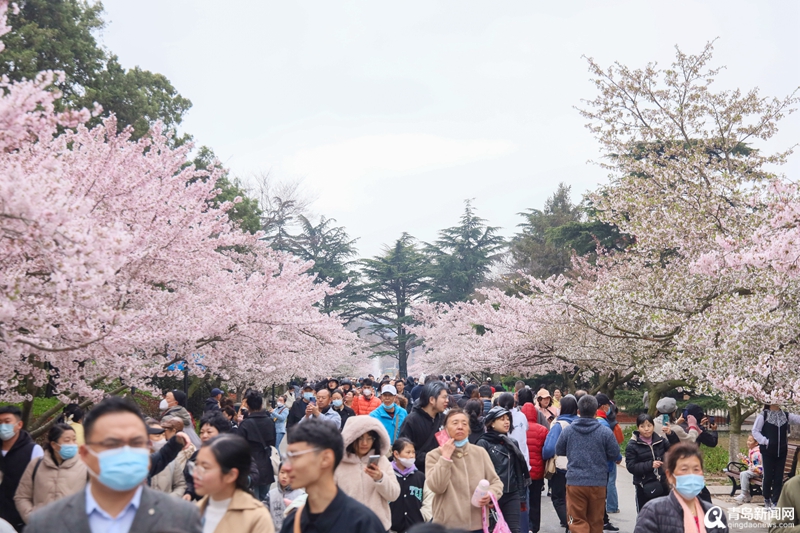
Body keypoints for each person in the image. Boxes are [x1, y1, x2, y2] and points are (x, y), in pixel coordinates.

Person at [24, 396, 201, 533]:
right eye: (112, 444)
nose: (125, 452)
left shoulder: (182, 518)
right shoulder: (46, 523)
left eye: (135, 443)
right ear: (85, 454)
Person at [279, 418, 385, 533]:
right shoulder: (293, 522)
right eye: (287, 458)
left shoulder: (362, 524)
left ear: (325, 459)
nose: (285, 467)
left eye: (295, 456)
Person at [425, 408, 504, 532]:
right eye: (455, 423)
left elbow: (496, 482)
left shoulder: (480, 452)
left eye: (464, 423)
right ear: (445, 429)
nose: (460, 427)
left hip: (477, 525)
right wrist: (445, 458)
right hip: (447, 526)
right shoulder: (433, 455)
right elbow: (437, 487)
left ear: (469, 429)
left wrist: (491, 494)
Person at [555, 395, 621, 533]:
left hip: (575, 482)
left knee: (575, 519)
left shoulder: (568, 431)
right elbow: (615, 454)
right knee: (596, 520)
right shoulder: (605, 432)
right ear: (596, 411)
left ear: (578, 411)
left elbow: (559, 450)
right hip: (598, 482)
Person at [634, 442, 728, 533]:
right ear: (670, 476)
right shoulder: (653, 512)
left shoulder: (714, 515)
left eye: (696, 469)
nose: (691, 475)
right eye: (684, 469)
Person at [193, 434, 274, 532]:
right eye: (195, 465)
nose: (195, 474)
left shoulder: (256, 517)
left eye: (205, 468)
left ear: (231, 475)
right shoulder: (196, 510)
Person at [335, 416, 400, 530]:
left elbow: (394, 495)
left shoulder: (381, 460)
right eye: (360, 438)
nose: (364, 443)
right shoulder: (338, 464)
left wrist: (380, 478)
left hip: (378, 526)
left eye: (369, 438)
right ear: (351, 438)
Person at [14, 423, 88, 524]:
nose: (72, 443)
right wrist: (32, 519)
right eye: (67, 440)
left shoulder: (85, 466)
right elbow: (22, 496)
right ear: (54, 445)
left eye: (74, 440)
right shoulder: (36, 464)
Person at [476, 407, 531, 533]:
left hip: (512, 493)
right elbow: (479, 473)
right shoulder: (483, 443)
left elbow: (518, 471)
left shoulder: (511, 442)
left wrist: (521, 495)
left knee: (514, 530)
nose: (507, 422)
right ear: (492, 423)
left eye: (508, 419)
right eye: (502, 419)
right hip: (492, 496)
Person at [0, 405, 44, 531]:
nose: (3, 426)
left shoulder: (33, 450)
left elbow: (40, 485)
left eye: (7, 422)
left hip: (21, 519)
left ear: (19, 425)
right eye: (0, 422)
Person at [625, 413, 679, 512]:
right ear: (638, 428)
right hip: (644, 486)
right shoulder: (632, 445)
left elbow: (676, 451)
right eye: (642, 426)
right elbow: (631, 466)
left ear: (653, 426)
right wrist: (650, 465)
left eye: (649, 425)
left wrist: (670, 434)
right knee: (645, 515)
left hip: (662, 484)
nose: (646, 429)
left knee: (663, 514)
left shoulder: (661, 441)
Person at [753, 404, 800, 508]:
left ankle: (775, 501)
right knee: (768, 476)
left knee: (779, 477)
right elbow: (755, 431)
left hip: (782, 452)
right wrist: (765, 441)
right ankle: (767, 498)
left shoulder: (785, 415)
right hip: (768, 452)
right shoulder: (763, 415)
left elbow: (797, 419)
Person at [542, 395, 577, 531]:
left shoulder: (559, 425)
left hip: (562, 467)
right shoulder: (580, 422)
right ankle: (574, 521)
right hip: (579, 467)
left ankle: (569, 522)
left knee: (559, 498)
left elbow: (549, 448)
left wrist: (545, 456)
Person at [498, 392, 532, 533]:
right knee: (522, 503)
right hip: (523, 464)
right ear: (514, 403)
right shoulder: (521, 416)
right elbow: (526, 430)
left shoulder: (497, 419)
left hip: (503, 467)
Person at [399, 381, 448, 473]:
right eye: (444, 397)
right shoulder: (411, 421)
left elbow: (444, 444)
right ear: (432, 400)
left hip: (440, 472)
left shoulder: (443, 419)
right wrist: (431, 457)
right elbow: (404, 451)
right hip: (418, 473)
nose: (447, 401)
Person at [235, 392, 276, 501]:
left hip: (250, 466)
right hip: (266, 464)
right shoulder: (270, 422)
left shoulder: (245, 424)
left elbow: (238, 446)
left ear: (248, 406)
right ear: (261, 405)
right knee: (265, 500)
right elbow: (273, 442)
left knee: (253, 500)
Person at [518, 388, 548, 533]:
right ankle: (534, 527)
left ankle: (523, 525)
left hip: (522, 470)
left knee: (522, 500)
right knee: (535, 500)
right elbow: (547, 448)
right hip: (537, 470)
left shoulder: (516, 426)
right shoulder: (542, 428)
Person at [595, 393, 623, 529]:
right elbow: (614, 447)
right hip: (605, 464)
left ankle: (603, 518)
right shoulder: (605, 424)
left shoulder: (588, 420)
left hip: (591, 465)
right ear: (605, 406)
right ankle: (603, 518)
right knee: (603, 491)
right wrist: (618, 458)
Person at [389, 438, 425, 533]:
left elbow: (428, 499)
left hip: (416, 528)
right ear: (396, 454)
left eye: (413, 452)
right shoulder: (387, 474)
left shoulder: (420, 476)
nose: (411, 456)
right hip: (392, 528)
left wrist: (423, 516)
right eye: (408, 452)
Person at [147, 418, 189, 497]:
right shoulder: (140, 463)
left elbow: (181, 485)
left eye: (163, 435)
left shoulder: (171, 461)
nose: (162, 439)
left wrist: (168, 500)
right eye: (157, 436)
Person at [264, 463, 305, 530]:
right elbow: (263, 511)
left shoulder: (301, 495)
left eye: (288, 473)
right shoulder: (271, 494)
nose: (284, 476)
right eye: (282, 472)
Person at [734, 434, 763, 503]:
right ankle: (746, 495)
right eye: (748, 440)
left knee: (744, 474)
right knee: (742, 474)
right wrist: (744, 458)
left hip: (759, 472)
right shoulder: (752, 451)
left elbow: (758, 465)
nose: (748, 442)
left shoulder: (757, 453)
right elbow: (751, 463)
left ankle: (744, 493)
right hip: (754, 470)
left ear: (756, 443)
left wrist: (754, 468)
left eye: (750, 441)